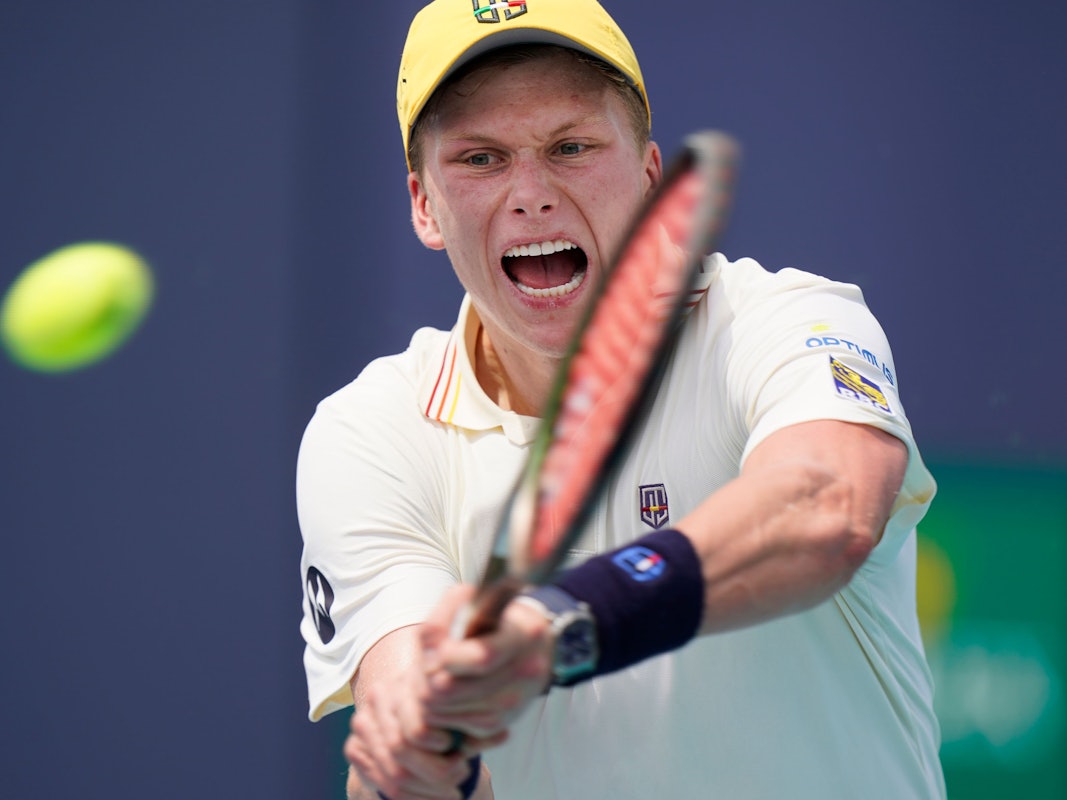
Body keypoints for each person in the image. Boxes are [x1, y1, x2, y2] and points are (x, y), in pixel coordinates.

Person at [297, 1, 946, 798]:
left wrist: (561, 623)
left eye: (570, 146)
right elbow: (403, 728)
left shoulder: (787, 319)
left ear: (647, 177)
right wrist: (423, 751)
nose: (531, 192)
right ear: (424, 204)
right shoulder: (367, 432)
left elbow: (826, 505)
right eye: (479, 159)